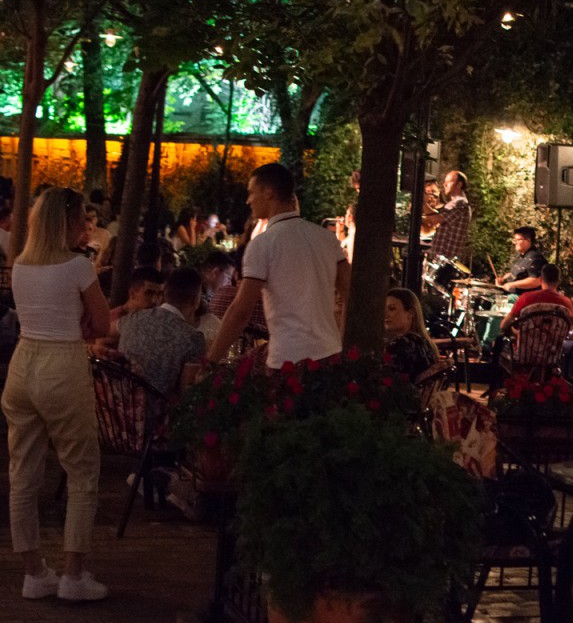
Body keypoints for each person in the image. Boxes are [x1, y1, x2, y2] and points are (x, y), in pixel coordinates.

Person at [2, 187, 111, 600]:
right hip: (62, 364)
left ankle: (34, 572)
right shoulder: (78, 266)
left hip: (22, 364)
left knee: (23, 473)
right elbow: (102, 324)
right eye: (82, 218)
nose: (86, 225)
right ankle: (74, 574)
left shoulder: (20, 265)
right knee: (82, 470)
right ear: (66, 222)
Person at [207, 163, 350, 369]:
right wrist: (341, 343)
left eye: (251, 193)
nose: (248, 200)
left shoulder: (263, 244)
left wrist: (210, 362)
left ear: (268, 192)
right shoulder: (326, 238)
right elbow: (350, 293)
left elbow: (241, 311)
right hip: (329, 354)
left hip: (287, 359)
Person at [118, 267, 206, 396]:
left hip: (117, 403)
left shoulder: (133, 317)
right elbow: (188, 394)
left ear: (165, 293)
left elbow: (105, 332)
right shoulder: (193, 338)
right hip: (157, 408)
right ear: (195, 301)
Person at [500, 263, 573, 332]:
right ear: (558, 281)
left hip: (527, 341)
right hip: (556, 342)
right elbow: (569, 327)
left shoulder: (526, 298)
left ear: (541, 280)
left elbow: (504, 325)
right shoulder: (567, 302)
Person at [384, 288, 439, 380]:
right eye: (384, 309)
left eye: (392, 309)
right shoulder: (423, 343)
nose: (385, 314)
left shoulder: (403, 344)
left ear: (410, 313)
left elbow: (387, 381)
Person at [426, 170, 471, 263]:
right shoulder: (452, 203)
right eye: (445, 182)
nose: (444, 184)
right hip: (439, 259)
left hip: (445, 260)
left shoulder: (460, 203)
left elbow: (436, 220)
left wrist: (423, 202)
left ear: (459, 184)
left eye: (449, 182)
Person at [496, 226, 546, 294]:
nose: (515, 243)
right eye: (515, 240)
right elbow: (513, 273)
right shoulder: (520, 255)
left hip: (525, 297)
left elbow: (536, 280)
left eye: (518, 240)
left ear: (528, 240)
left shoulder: (535, 258)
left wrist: (512, 284)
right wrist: (503, 279)